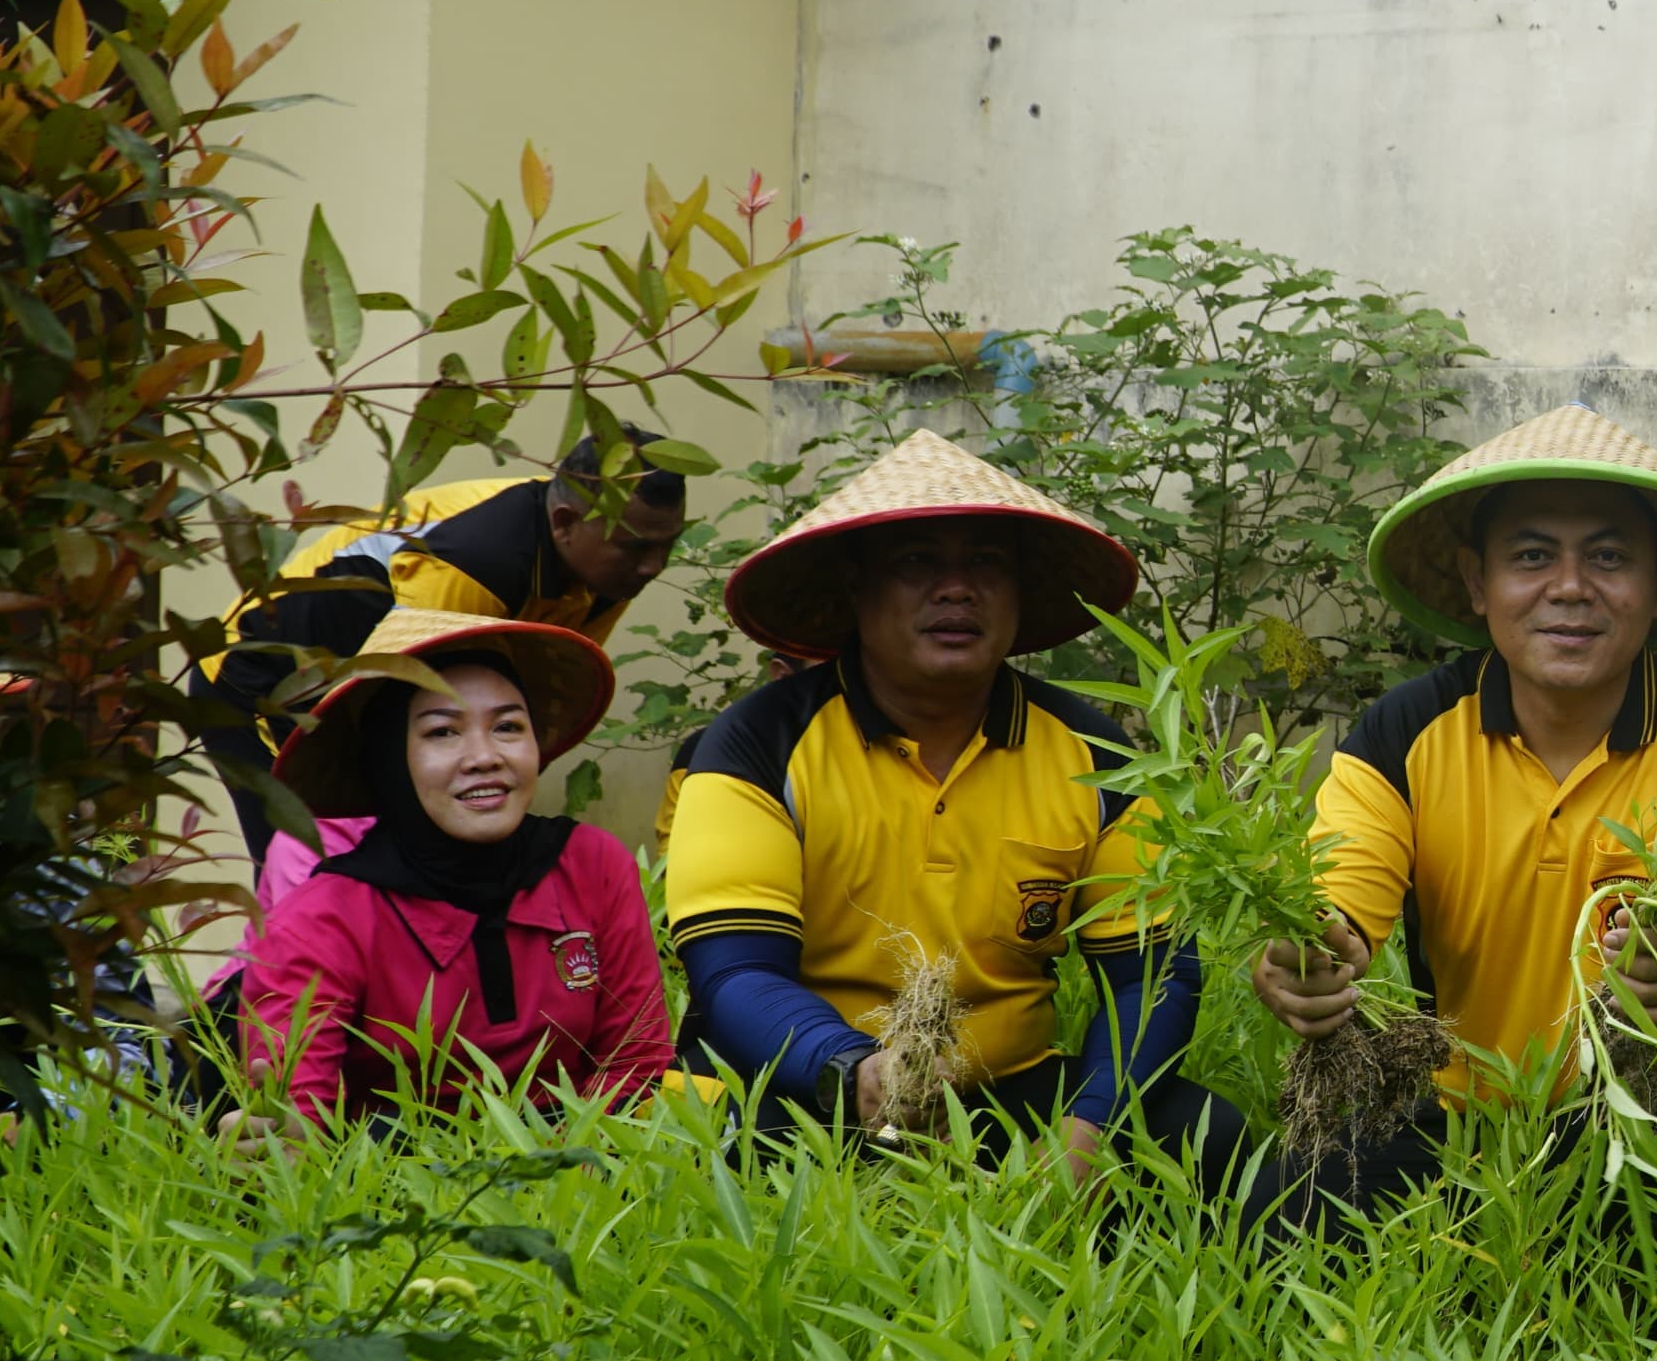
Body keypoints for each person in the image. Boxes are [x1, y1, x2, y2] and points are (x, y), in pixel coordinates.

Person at [1250, 407, 1657, 1268]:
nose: (1569, 586)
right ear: (1477, 583)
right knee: (1297, 1193)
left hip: (1655, 1099)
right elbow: (1338, 900)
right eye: (1531, 555)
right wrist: (1308, 962)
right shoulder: (1402, 734)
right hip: (1469, 1113)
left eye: (1609, 555)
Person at [664, 431, 1225, 1188]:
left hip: (1009, 1089)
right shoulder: (758, 744)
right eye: (917, 561)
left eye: (987, 563)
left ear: (1020, 595)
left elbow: (1151, 975)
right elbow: (733, 975)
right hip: (801, 1081)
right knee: (718, 1160)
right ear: (855, 591)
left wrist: (1089, 1124)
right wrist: (853, 1069)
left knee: (1205, 1139)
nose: (956, 589)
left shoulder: (1095, 753)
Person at [234, 612, 667, 1127]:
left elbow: (635, 1065)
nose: (484, 757)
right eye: (443, 732)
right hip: (393, 1186)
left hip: (586, 1170)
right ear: (390, 757)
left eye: (507, 726)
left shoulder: (590, 865)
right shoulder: (320, 922)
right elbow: (297, 1127)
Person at [196, 437, 695, 873]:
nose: (654, 567)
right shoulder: (478, 561)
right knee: (313, 871)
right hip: (257, 682)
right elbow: (410, 715)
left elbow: (532, 695)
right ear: (565, 524)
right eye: (636, 549)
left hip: (365, 686)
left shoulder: (608, 561)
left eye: (666, 546)